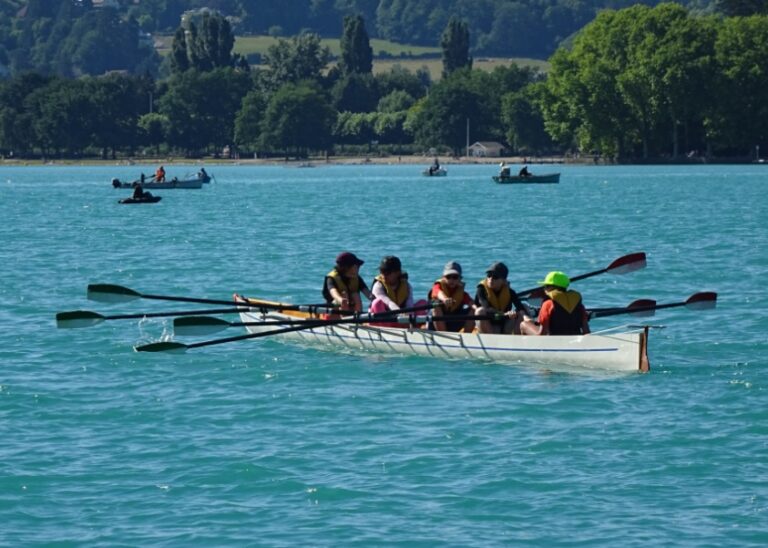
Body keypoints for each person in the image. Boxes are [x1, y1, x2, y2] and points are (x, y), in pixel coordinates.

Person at [520, 271, 590, 336]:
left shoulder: (548, 304)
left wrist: (527, 318)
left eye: (546, 286)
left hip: (553, 341)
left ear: (552, 287)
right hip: (573, 340)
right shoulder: (579, 305)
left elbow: (542, 334)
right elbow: (586, 331)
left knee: (523, 324)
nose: (544, 289)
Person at [369, 255, 427, 327]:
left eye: (387, 272)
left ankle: (412, 327)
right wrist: (401, 314)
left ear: (398, 273)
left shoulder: (407, 286)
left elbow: (409, 305)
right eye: (382, 271)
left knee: (423, 303)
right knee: (377, 303)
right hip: (383, 320)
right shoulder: (378, 286)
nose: (383, 275)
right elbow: (388, 303)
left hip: (400, 320)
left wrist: (409, 316)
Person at [474, 262, 524, 334]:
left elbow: (520, 307)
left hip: (504, 324)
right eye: (489, 275)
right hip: (489, 324)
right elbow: (486, 307)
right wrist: (504, 314)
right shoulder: (481, 289)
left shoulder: (510, 292)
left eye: (495, 277)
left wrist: (522, 316)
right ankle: (492, 338)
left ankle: (517, 337)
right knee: (480, 311)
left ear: (503, 280)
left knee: (523, 310)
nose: (491, 279)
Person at [428, 261, 474, 332]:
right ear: (443, 278)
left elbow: (471, 303)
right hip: (435, 325)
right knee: (435, 305)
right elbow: (438, 292)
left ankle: (466, 335)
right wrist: (445, 299)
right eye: (448, 277)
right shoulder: (438, 286)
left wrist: (477, 308)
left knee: (473, 310)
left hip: (454, 322)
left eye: (455, 277)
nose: (451, 280)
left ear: (460, 279)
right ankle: (444, 335)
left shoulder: (462, 293)